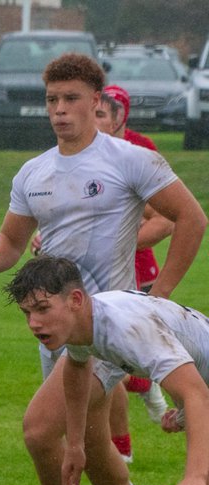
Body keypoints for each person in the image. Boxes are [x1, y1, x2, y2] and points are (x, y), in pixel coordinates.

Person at [0, 53, 207, 485]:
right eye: (52, 100)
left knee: (38, 430)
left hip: (114, 325)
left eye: (71, 98)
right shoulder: (35, 172)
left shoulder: (129, 159)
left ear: (98, 102)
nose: (60, 110)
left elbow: (190, 217)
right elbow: (11, 241)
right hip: (63, 328)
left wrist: (158, 296)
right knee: (87, 438)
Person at [6, 256, 209, 485]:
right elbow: (77, 366)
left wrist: (197, 475)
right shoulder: (85, 322)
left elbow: (196, 394)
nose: (34, 323)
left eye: (43, 309)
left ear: (75, 299)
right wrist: (74, 444)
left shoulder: (126, 328)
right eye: (27, 312)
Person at [96, 85, 173, 454]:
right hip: (92, 276)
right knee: (111, 361)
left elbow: (166, 214)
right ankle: (117, 445)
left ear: (119, 117)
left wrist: (123, 239)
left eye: (101, 114)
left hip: (137, 270)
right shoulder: (79, 155)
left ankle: (149, 403)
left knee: (130, 354)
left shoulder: (138, 151)